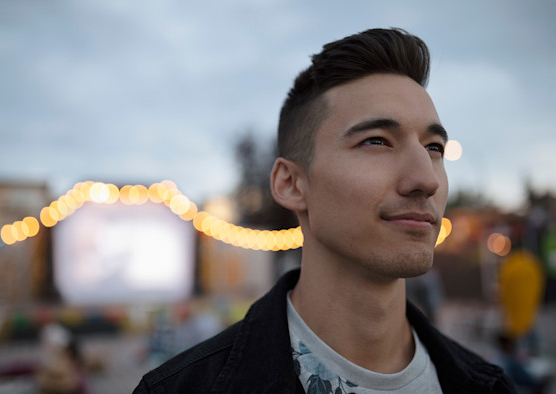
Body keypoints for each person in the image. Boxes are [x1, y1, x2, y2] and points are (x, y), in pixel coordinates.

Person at [134, 28, 515, 393]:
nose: (426, 180)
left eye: (434, 148)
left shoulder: (489, 386)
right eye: (378, 141)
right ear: (291, 184)